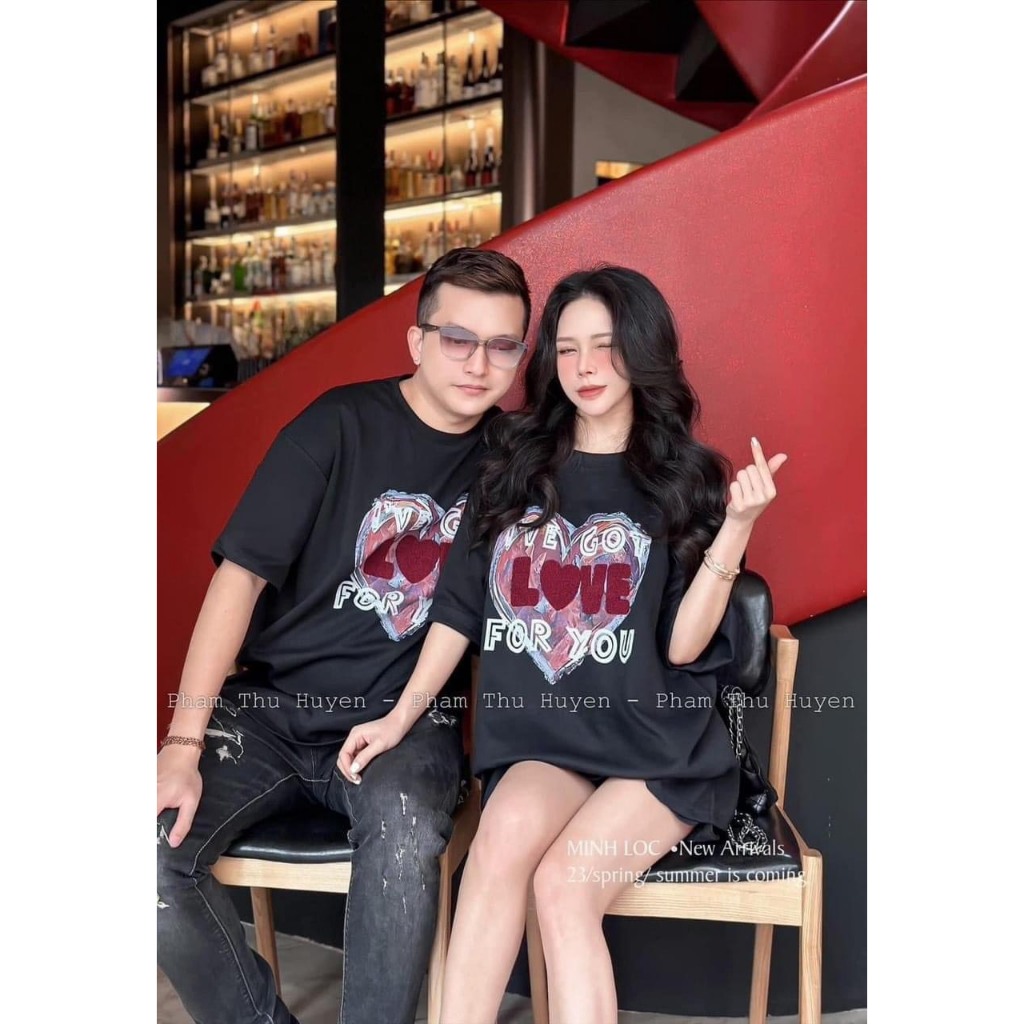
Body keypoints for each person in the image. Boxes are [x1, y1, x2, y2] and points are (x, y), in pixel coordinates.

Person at [337, 264, 787, 1023]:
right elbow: (458, 611)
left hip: (660, 750)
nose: (585, 367)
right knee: (496, 847)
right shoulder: (513, 467)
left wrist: (736, 529)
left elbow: (683, 649)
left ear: (640, 349)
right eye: (568, 348)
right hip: (550, 741)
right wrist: (399, 718)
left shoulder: (684, 478)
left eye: (605, 346)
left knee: (564, 887)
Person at [157, 247, 531, 1024]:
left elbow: (464, 610)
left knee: (404, 832)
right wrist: (183, 744)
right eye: (458, 339)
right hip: (267, 713)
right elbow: (239, 581)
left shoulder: (510, 463)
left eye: (503, 346)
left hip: (404, 723)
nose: (479, 364)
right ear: (417, 340)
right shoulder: (336, 425)